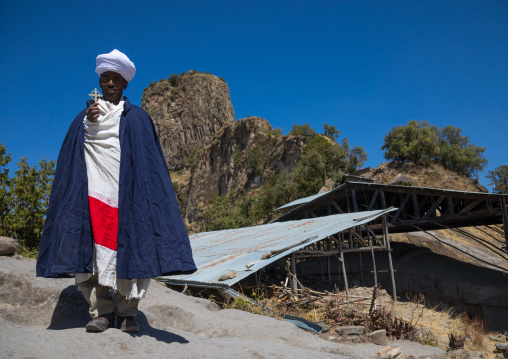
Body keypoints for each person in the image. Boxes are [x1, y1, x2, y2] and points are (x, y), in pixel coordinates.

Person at [36, 49, 197, 333]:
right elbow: (72, 161)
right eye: (105, 78)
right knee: (94, 253)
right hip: (94, 195)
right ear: (100, 82)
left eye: (116, 79)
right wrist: (90, 124)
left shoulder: (139, 118)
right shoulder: (83, 119)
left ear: (125, 83)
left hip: (129, 196)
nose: (110, 83)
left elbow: (150, 164)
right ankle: (101, 311)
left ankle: (127, 313)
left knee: (132, 248)